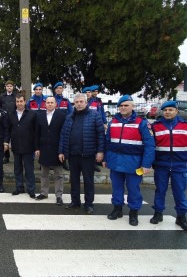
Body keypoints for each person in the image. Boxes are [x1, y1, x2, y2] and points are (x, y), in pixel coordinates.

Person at [104, 95, 155, 226]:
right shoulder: (113, 122)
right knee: (116, 188)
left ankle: (133, 212)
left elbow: (149, 145)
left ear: (132, 106)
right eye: (121, 106)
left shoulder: (142, 123)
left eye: (126, 105)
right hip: (115, 162)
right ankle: (117, 209)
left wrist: (146, 164)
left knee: (133, 189)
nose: (123, 108)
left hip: (134, 164)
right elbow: (107, 142)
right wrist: (105, 158)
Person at [59, 93, 105, 214]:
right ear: (74, 103)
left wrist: (100, 151)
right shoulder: (70, 117)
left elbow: (101, 135)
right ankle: (75, 202)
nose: (79, 104)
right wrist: (62, 151)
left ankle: (89, 204)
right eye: (77, 102)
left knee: (88, 181)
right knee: (74, 180)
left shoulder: (95, 115)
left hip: (88, 155)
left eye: (81, 102)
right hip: (73, 155)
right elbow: (63, 135)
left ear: (86, 103)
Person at [150, 100, 187, 231]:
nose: (167, 112)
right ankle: (158, 213)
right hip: (161, 164)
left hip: (180, 164)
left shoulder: (185, 126)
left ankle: (181, 216)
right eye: (165, 110)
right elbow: (151, 146)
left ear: (176, 111)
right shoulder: (156, 126)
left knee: (179, 192)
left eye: (170, 110)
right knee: (160, 190)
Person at [34, 96, 67, 204]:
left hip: (57, 149)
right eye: (48, 102)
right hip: (43, 148)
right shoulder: (40, 115)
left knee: (58, 174)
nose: (49, 104)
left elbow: (64, 134)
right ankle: (44, 193)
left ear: (55, 104)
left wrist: (62, 150)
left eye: (52, 102)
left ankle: (59, 195)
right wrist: (37, 148)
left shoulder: (62, 116)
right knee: (44, 173)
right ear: (45, 104)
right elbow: (37, 133)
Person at [8, 93, 37, 198]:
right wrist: (7, 142)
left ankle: (31, 189)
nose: (19, 103)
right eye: (17, 101)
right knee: (17, 169)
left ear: (25, 102)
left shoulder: (32, 114)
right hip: (16, 146)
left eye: (21, 101)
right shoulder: (11, 114)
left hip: (28, 147)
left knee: (29, 169)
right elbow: (8, 130)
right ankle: (19, 187)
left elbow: (36, 131)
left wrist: (36, 146)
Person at [0, 80, 17, 164]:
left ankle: (16, 155)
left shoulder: (16, 96)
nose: (9, 87)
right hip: (4, 120)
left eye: (11, 86)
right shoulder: (2, 96)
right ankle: (6, 156)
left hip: (14, 121)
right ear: (5, 87)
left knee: (15, 138)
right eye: (8, 86)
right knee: (5, 139)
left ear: (13, 87)